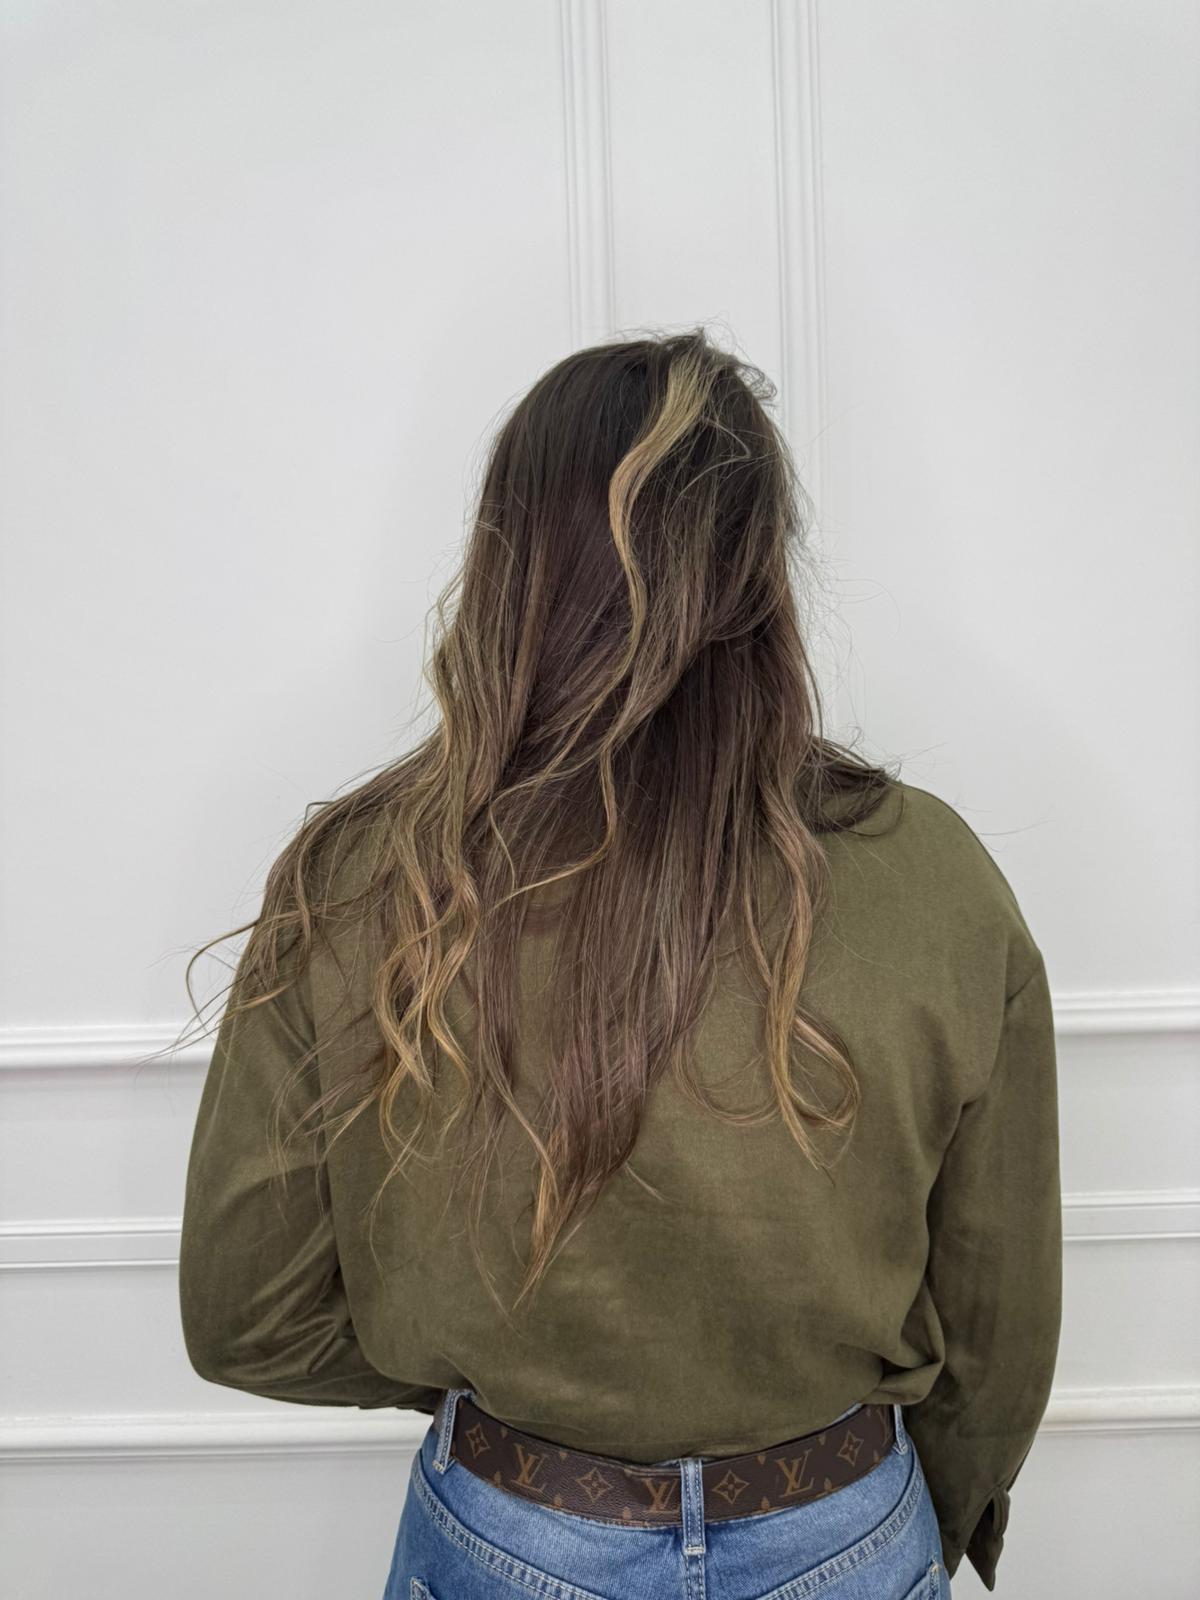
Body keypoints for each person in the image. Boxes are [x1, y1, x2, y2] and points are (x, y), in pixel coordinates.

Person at [177, 328, 1062, 1597]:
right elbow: (996, 1328)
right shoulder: (934, 876)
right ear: (762, 575)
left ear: (508, 563)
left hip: (510, 1535)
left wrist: (511, 1388)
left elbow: (248, 1314)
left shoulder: (364, 875)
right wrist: (909, 1515)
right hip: (842, 1534)